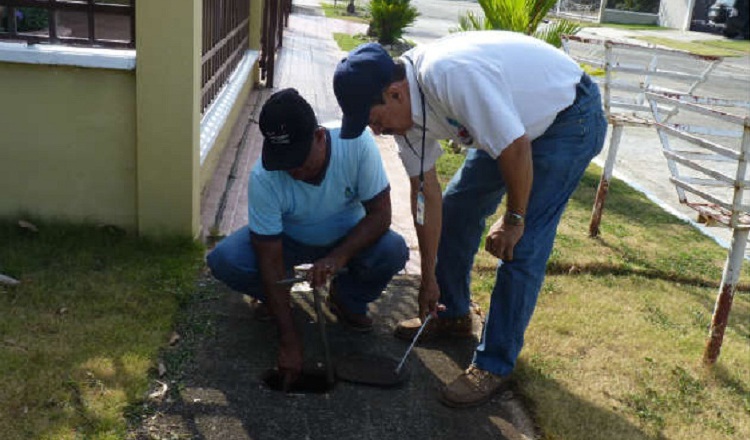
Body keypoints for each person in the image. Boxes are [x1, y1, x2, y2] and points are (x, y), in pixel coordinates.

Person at [333, 31, 607, 407]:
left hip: (568, 117)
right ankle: (452, 313)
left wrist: (514, 218)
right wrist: (428, 279)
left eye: (375, 120)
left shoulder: (451, 76)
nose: (376, 131)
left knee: (521, 245)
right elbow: (425, 200)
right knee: (456, 209)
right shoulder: (404, 115)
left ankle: (495, 363)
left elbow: (515, 147)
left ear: (395, 93)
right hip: (512, 125)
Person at [207, 88, 409, 388]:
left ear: (318, 136)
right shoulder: (263, 177)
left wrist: (337, 257)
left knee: (393, 250)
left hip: (346, 237)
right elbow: (269, 254)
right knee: (226, 260)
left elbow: (380, 214)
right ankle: (275, 301)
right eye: (284, 162)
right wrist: (288, 339)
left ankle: (347, 299)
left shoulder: (356, 143)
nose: (293, 171)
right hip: (288, 241)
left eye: (299, 160)